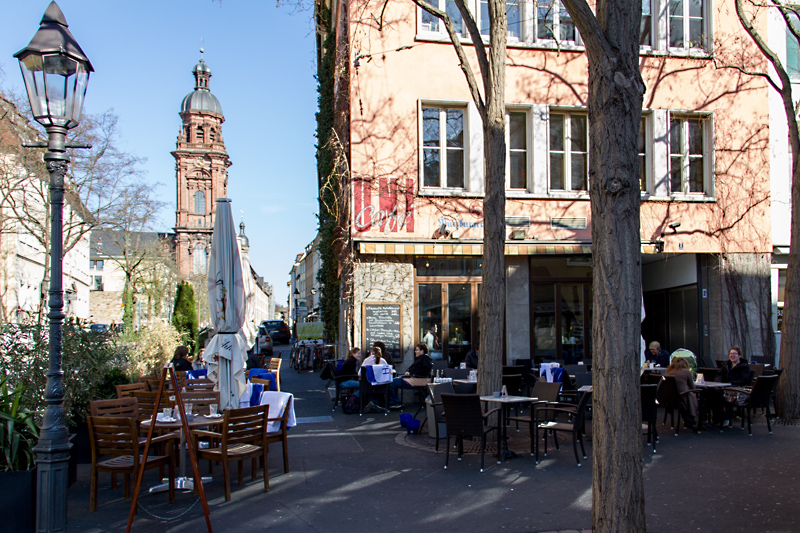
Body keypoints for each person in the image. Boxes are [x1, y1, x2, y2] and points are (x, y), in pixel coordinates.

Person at [664, 357, 699, 432]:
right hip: (683, 397)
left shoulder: (668, 371)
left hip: (670, 398)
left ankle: (687, 419)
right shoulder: (686, 372)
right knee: (692, 396)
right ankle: (692, 419)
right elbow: (692, 387)